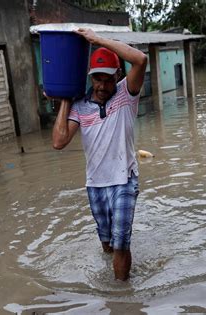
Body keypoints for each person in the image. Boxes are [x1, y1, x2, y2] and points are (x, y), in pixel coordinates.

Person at [51, 28, 147, 281]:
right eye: (97, 79)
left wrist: (97, 40)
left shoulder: (127, 94)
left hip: (124, 180)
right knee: (107, 242)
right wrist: (65, 100)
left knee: (121, 243)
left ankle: (121, 296)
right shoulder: (80, 106)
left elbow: (140, 59)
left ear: (117, 75)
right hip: (95, 184)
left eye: (107, 79)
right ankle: (114, 266)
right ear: (90, 78)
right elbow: (59, 142)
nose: (102, 86)